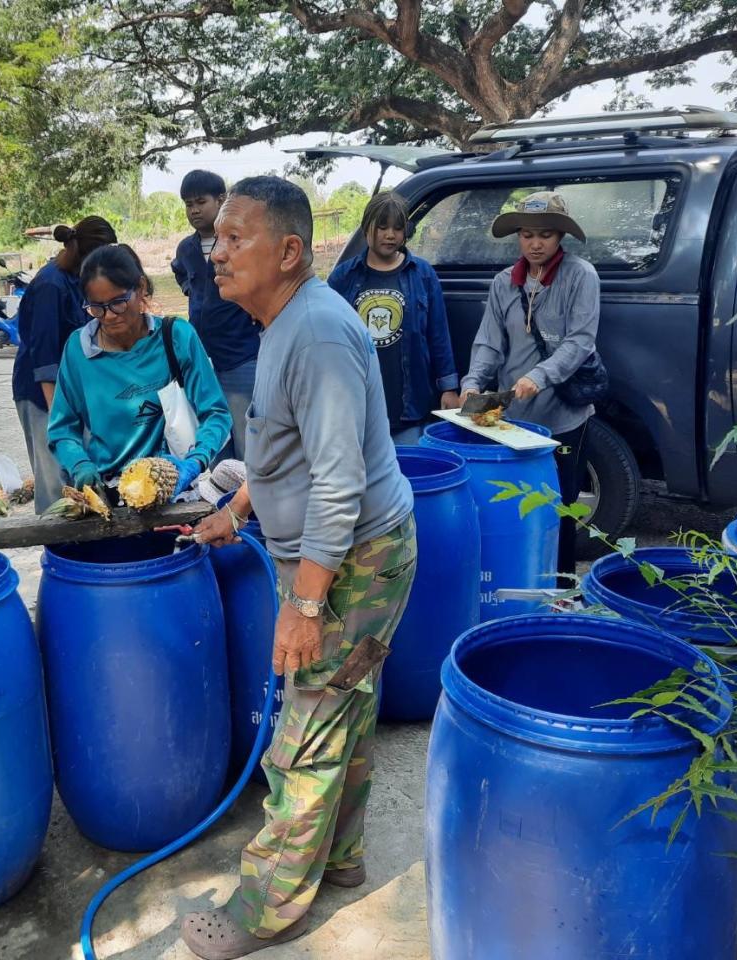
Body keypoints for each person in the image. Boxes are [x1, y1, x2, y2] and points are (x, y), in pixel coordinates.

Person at [185, 177, 418, 959]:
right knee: (344, 705)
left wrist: (307, 605)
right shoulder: (284, 322)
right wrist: (239, 507)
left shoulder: (315, 333)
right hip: (340, 555)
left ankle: (266, 906)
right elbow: (285, 446)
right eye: (217, 238)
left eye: (235, 238)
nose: (217, 253)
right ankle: (341, 857)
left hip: (355, 562)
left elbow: (339, 482)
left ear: (289, 252)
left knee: (307, 729)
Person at [454, 191, 600, 578]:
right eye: (527, 234)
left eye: (546, 235)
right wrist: (473, 383)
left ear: (561, 237)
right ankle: (520, 581)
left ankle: (562, 589)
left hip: (564, 418)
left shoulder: (581, 276)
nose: (535, 244)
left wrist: (539, 376)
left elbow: (580, 342)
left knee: (561, 507)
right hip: (513, 421)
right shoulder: (503, 283)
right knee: (517, 506)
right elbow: (489, 343)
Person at [46, 244, 231, 495]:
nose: (109, 316)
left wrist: (196, 460)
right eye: (97, 307)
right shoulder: (79, 350)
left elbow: (216, 413)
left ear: (141, 287)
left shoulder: (176, 337)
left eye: (118, 302)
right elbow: (62, 429)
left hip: (173, 486)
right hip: (110, 489)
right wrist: (79, 464)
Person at [327, 191, 458, 443]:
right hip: (357, 409)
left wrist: (449, 388)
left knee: (408, 466)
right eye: (382, 227)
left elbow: (438, 335)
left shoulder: (422, 274)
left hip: (409, 409)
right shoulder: (343, 277)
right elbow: (327, 340)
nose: (390, 235)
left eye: (398, 228)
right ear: (366, 227)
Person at [11, 216, 117, 511]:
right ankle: (54, 537)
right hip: (42, 394)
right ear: (82, 253)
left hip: (74, 393)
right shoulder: (51, 285)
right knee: (54, 478)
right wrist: (58, 419)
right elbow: (44, 358)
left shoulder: (81, 280)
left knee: (82, 472)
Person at [171, 170, 260, 458]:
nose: (194, 210)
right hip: (203, 361)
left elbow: (261, 281)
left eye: (201, 202)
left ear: (221, 200)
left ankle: (251, 488)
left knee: (248, 440)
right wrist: (189, 288)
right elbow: (179, 271)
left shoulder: (239, 243)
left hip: (241, 356)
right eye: (188, 204)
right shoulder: (187, 248)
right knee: (214, 437)